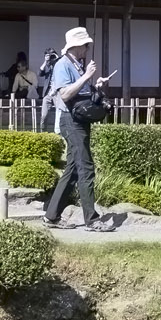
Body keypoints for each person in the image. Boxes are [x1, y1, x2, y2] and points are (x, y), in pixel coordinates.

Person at [42, 26, 118, 232]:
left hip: (80, 119)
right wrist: (86, 77)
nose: (87, 48)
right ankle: (92, 220)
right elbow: (65, 94)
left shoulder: (76, 65)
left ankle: (51, 216)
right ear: (77, 46)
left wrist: (97, 85)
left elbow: (81, 92)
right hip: (71, 121)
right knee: (86, 167)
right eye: (85, 45)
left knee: (73, 169)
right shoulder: (62, 65)